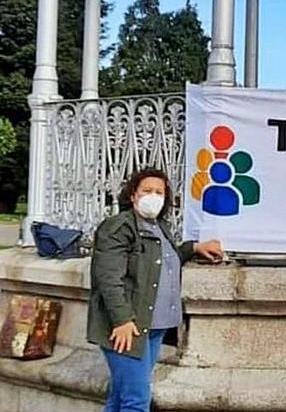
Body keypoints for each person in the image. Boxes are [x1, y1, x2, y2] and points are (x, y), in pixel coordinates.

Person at [87, 168, 224, 412]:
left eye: (159, 192)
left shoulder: (159, 227)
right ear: (133, 195)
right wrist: (122, 319)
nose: (154, 196)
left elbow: (161, 261)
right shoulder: (119, 227)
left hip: (154, 325)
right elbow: (108, 277)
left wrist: (193, 247)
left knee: (121, 397)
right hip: (129, 326)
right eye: (147, 191)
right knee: (137, 401)